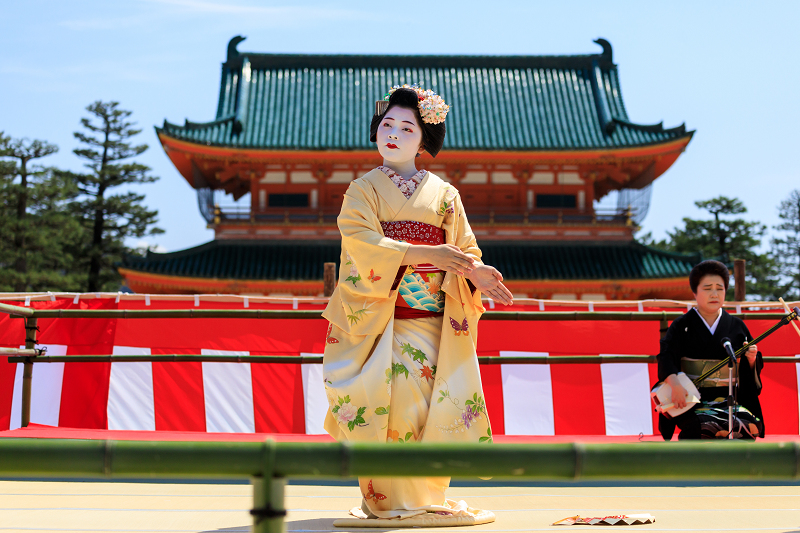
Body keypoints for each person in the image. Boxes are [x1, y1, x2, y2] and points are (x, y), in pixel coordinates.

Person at [321, 85, 512, 523]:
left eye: (407, 127)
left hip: (433, 319)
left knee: (434, 405)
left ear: (423, 140)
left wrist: (475, 272)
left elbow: (464, 248)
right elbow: (362, 244)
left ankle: (425, 496)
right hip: (384, 320)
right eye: (387, 124)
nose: (393, 133)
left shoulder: (445, 194)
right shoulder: (362, 190)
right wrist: (430, 254)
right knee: (394, 405)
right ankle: (386, 500)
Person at [657, 260, 764, 440]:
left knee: (748, 423)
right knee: (704, 425)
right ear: (695, 292)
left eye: (720, 288)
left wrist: (752, 359)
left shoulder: (737, 326)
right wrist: (675, 385)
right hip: (692, 400)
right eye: (707, 288)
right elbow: (666, 356)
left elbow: (749, 370)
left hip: (729, 400)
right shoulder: (681, 326)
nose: (714, 294)